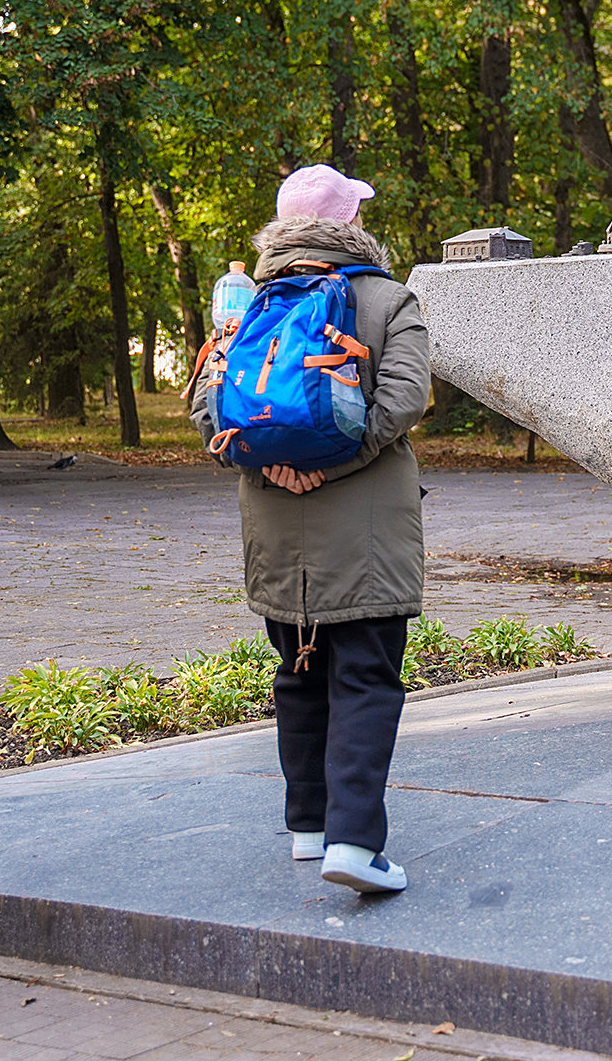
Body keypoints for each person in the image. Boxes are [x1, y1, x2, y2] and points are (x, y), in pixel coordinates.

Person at [191, 164, 433, 893]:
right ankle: (356, 844)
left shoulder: (242, 305)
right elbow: (403, 401)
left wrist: (278, 471)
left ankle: (309, 826)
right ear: (350, 224)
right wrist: (330, 467)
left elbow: (212, 412)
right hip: (363, 529)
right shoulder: (390, 299)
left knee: (298, 674)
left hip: (274, 527)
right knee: (365, 677)